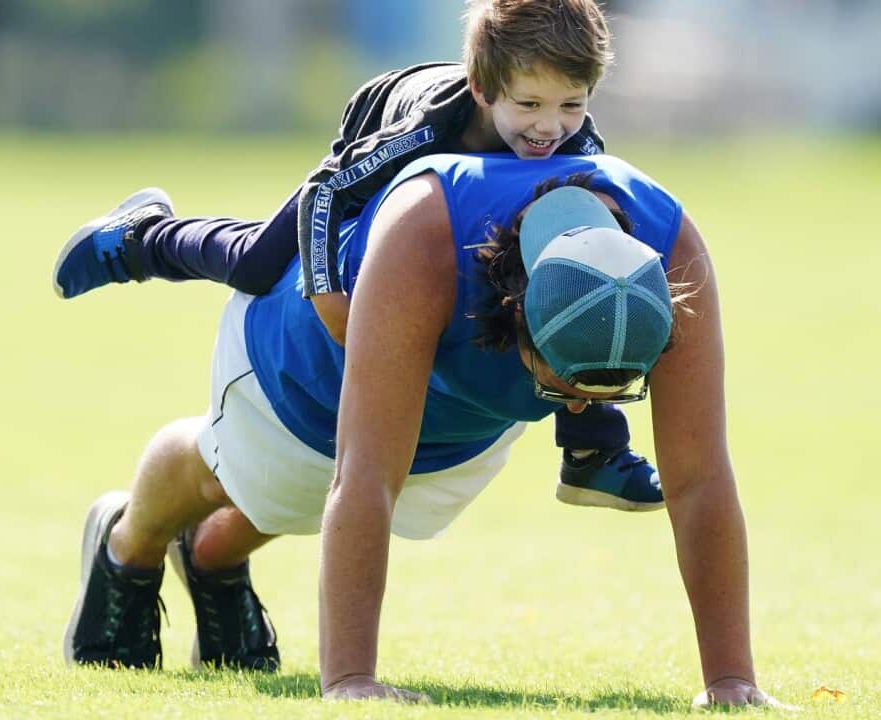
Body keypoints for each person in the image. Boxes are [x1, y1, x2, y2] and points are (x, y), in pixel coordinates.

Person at [62, 151, 784, 709]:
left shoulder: (670, 248)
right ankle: (130, 542)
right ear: (515, 308)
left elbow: (700, 478)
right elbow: (363, 474)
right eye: (557, 379)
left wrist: (730, 679)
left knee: (315, 505)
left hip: (463, 410)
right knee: (250, 474)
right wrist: (351, 678)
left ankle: (213, 558)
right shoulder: (427, 232)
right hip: (311, 361)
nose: (572, 404)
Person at [50, 0, 662, 515]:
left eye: (570, 105)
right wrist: (327, 295)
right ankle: (142, 237)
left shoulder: (578, 147)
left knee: (576, 282)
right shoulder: (425, 130)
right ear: (484, 89)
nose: (549, 128)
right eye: (528, 106)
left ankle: (593, 450)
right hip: (372, 136)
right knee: (259, 267)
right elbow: (326, 193)